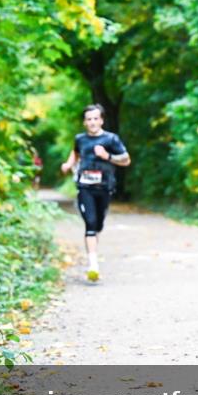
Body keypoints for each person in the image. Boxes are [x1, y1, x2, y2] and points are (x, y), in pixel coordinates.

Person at [60, 104, 131, 282]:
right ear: (85, 122)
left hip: (105, 187)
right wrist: (69, 164)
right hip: (85, 187)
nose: (92, 122)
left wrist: (107, 156)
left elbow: (126, 160)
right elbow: (75, 153)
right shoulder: (80, 139)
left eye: (95, 118)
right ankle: (93, 265)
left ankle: (93, 253)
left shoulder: (111, 139)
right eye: (88, 119)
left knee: (98, 224)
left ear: (101, 120)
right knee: (90, 224)